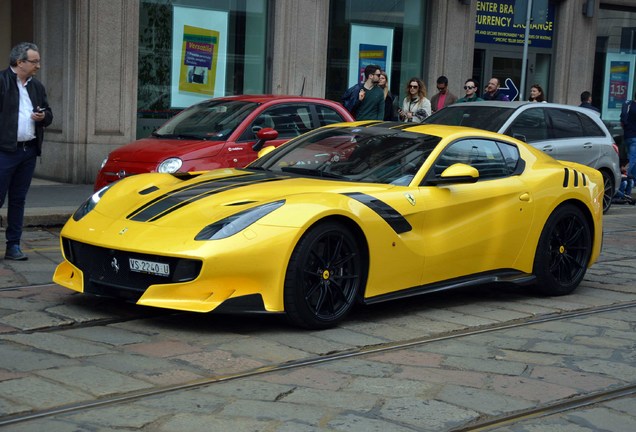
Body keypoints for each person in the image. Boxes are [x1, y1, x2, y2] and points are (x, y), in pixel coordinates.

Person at [0, 42, 53, 261]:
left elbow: (49, 114)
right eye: (34, 61)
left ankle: (13, 246)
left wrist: (43, 117)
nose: (38, 66)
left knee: (18, 200)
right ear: (19, 62)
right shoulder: (1, 82)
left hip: (28, 151)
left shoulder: (36, 86)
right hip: (4, 151)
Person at [621, 93, 636, 181]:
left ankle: (632, 181)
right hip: (634, 137)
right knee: (632, 158)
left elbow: (622, 120)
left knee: (632, 157)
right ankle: (624, 175)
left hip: (627, 135)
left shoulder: (629, 105)